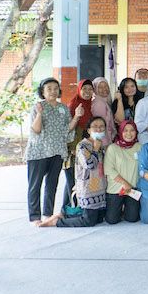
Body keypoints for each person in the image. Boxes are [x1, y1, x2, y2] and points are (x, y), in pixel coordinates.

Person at [26, 77, 81, 224]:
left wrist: (76, 117)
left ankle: (47, 214)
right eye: (49, 88)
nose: (53, 91)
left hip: (57, 151)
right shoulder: (38, 106)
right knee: (35, 185)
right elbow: (36, 130)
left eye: (56, 88)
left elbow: (67, 129)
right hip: (39, 151)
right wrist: (39, 114)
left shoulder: (63, 108)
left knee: (52, 184)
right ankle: (34, 217)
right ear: (42, 92)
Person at [39, 116, 108, 228]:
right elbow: (90, 164)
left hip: (99, 186)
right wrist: (95, 149)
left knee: (99, 219)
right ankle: (57, 222)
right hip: (88, 186)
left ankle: (65, 215)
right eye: (95, 126)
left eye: (101, 127)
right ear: (88, 130)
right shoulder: (82, 146)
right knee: (88, 221)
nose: (99, 129)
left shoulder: (101, 145)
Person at [63, 79, 94, 208]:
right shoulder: (73, 105)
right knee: (72, 182)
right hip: (73, 152)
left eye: (90, 89)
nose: (87, 92)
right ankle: (71, 209)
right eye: (84, 89)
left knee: (75, 182)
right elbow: (67, 129)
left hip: (84, 150)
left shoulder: (89, 105)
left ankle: (69, 209)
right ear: (79, 90)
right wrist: (72, 148)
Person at [91, 77, 116, 143]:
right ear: (95, 89)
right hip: (103, 140)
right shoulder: (98, 104)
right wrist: (106, 141)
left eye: (106, 86)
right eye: (100, 87)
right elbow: (100, 125)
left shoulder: (104, 101)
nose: (104, 89)